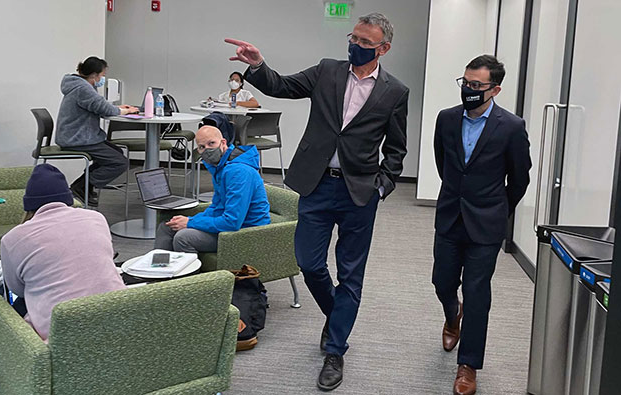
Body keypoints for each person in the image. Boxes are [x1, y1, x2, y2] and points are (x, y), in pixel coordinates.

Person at [226, 12, 408, 391]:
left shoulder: (395, 91)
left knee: (351, 274)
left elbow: (396, 148)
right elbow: (282, 85)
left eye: (364, 42)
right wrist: (258, 64)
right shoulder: (327, 71)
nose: (355, 45)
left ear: (383, 48)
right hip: (317, 184)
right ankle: (337, 314)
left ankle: (335, 349)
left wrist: (383, 185)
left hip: (360, 191)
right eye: (352, 38)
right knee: (309, 263)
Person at [432, 55, 531, 395]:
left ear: (495, 89)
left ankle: (468, 365)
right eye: (465, 83)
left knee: (477, 293)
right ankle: (451, 314)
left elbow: (519, 178)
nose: (469, 90)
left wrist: (499, 210)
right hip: (449, 215)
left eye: (476, 85)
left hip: (486, 223)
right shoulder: (446, 119)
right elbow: (444, 164)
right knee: (442, 281)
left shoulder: (512, 127)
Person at [0, 164, 126, 340]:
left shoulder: (13, 239)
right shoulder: (97, 218)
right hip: (120, 322)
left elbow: (17, 289)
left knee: (17, 305)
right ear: (68, 198)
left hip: (62, 338)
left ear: (28, 205)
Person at [154, 125, 270, 253]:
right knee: (167, 227)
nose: (207, 150)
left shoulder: (238, 172)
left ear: (223, 143)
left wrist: (190, 223)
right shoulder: (221, 167)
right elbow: (217, 207)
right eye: (202, 147)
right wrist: (190, 220)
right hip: (231, 227)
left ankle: (192, 273)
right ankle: (158, 269)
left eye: (211, 143)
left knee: (183, 238)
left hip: (246, 234)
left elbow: (232, 222)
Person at [54, 56, 139, 206]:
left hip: (78, 135)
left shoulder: (79, 85)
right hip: (77, 138)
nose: (103, 79)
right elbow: (105, 109)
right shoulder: (83, 88)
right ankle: (82, 186)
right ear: (94, 75)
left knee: (116, 154)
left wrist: (119, 109)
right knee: (119, 162)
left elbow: (99, 107)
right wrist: (126, 111)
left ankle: (83, 185)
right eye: (103, 75)